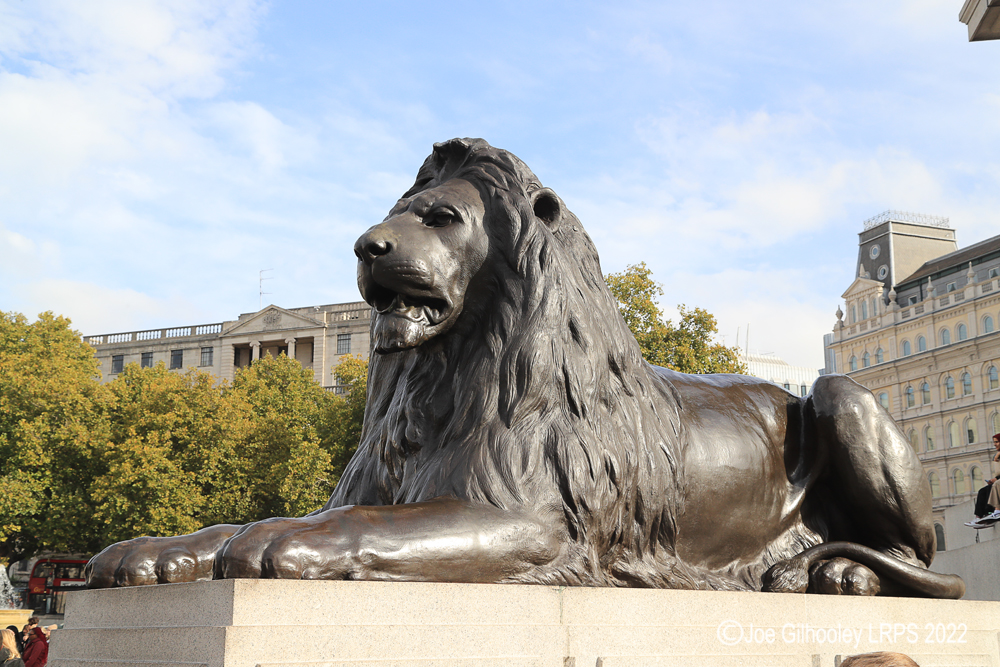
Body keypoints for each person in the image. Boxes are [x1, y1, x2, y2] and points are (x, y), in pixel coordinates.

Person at [965, 434, 1000, 528]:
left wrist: (996, 479)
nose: (995, 444)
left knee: (995, 486)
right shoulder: (997, 456)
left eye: (997, 442)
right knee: (983, 491)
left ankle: (996, 511)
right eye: (994, 442)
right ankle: (979, 517)